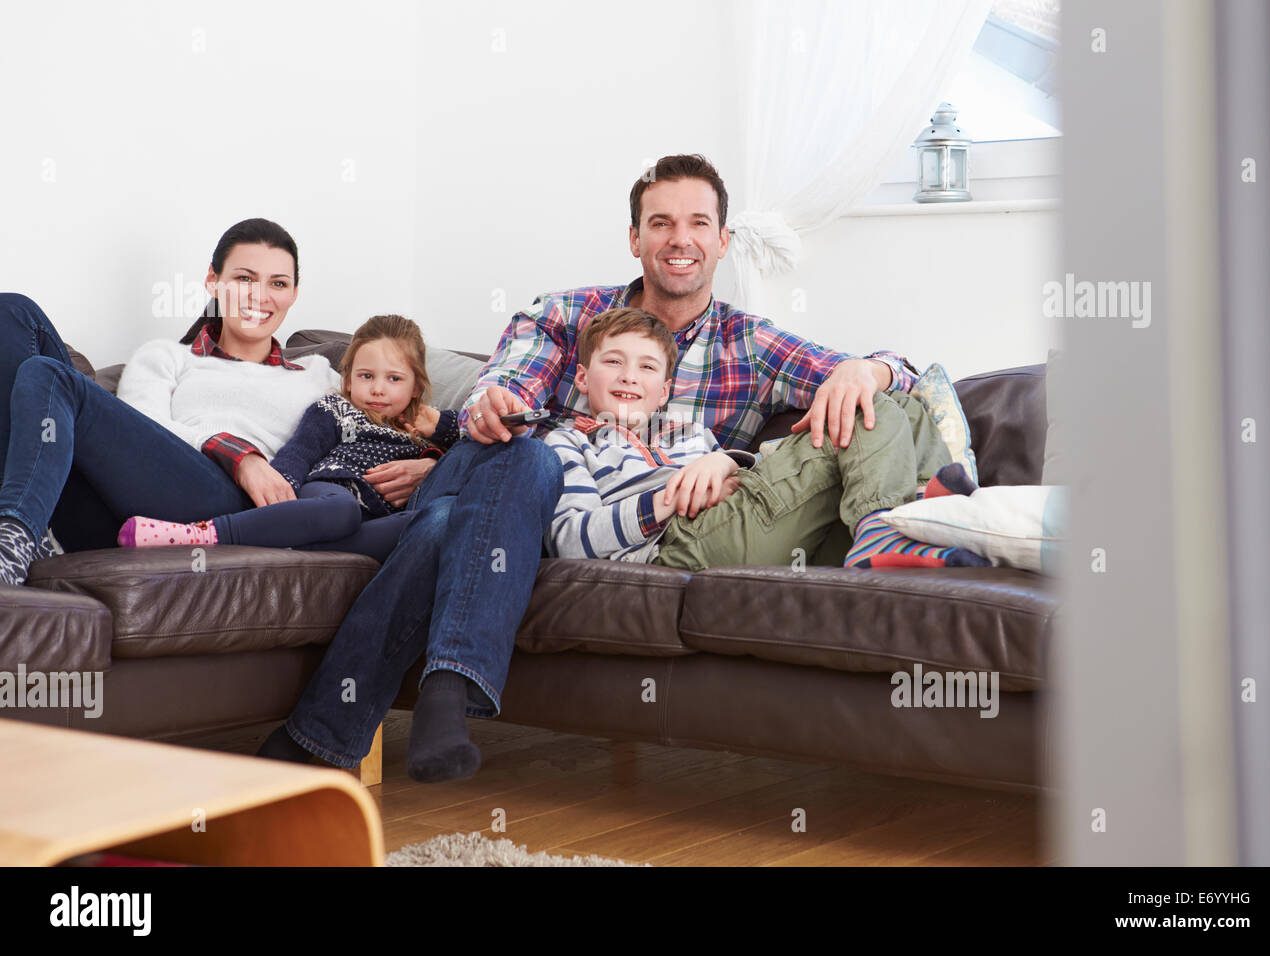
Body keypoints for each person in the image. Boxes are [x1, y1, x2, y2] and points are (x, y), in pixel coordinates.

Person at [257, 153, 943, 785]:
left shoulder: (750, 343)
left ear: (724, 241)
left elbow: (888, 383)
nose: (680, 239)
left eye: (699, 223)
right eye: (661, 222)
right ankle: (440, 688)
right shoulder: (565, 315)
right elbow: (506, 397)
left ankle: (334, 732)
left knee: (438, 523)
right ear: (635, 237)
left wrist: (867, 365)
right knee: (520, 450)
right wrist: (498, 403)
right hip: (515, 467)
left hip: (531, 518)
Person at [0, 218, 395, 588]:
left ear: (293, 293)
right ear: (213, 280)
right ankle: (18, 537)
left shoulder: (320, 375)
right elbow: (145, 431)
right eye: (244, 278)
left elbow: (393, 424)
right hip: (131, 505)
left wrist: (425, 461)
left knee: (46, 375)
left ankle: (15, 541)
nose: (260, 296)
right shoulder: (166, 358)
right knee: (14, 313)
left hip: (242, 513)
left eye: (277, 283)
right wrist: (240, 457)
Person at [543, 307, 990, 570]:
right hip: (678, 543)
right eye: (613, 362)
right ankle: (892, 525)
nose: (628, 377)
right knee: (860, 408)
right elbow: (569, 540)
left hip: (755, 528)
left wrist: (727, 462)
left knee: (899, 405)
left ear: (664, 391)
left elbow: (752, 485)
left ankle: (921, 527)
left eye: (646, 367)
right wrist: (669, 498)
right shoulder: (568, 444)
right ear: (582, 377)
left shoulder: (687, 432)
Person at [116, 314, 459, 562]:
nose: (378, 389)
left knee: (427, 524)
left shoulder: (421, 432)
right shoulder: (334, 409)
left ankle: (287, 543)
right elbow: (300, 451)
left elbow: (468, 435)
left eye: (395, 379)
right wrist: (283, 494)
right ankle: (202, 534)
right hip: (330, 491)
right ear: (349, 380)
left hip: (375, 520)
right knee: (342, 512)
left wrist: (432, 435)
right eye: (366, 376)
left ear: (416, 385)